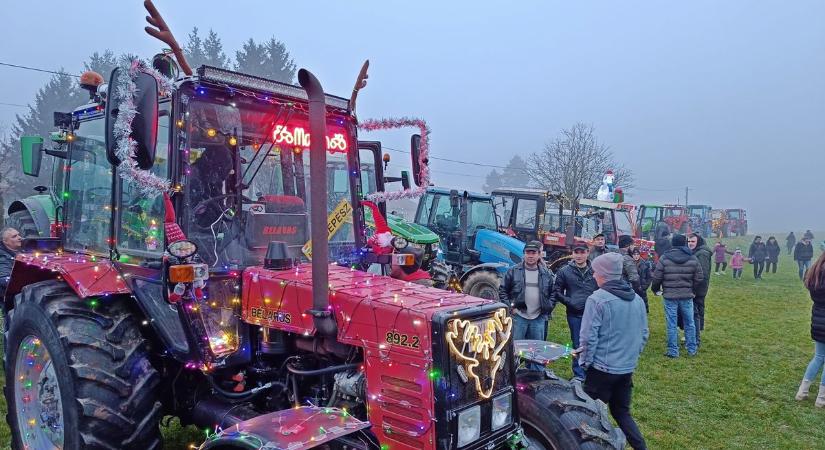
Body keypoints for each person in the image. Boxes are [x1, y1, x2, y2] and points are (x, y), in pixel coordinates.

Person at [576, 252, 649, 450]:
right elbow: (644, 334)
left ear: (604, 274)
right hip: (626, 369)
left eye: (595, 272)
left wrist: (584, 362)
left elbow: (588, 337)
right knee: (621, 412)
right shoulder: (637, 300)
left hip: (601, 370)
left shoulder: (597, 299)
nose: (593, 276)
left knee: (588, 415)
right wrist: (630, 358)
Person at [499, 241, 554, 370]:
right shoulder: (513, 271)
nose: (530, 256)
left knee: (537, 352)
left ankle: (536, 378)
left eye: (533, 253)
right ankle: (511, 374)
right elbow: (502, 290)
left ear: (539, 255)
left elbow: (553, 292)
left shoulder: (546, 274)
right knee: (515, 349)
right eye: (527, 253)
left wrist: (548, 307)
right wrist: (510, 307)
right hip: (519, 317)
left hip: (538, 318)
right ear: (523, 254)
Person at [651, 234, 703, 357]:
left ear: (672, 243)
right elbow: (699, 277)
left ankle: (673, 351)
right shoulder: (692, 258)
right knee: (690, 323)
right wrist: (693, 290)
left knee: (671, 324)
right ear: (684, 243)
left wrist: (655, 289)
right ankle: (692, 349)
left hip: (670, 296)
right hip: (687, 296)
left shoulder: (665, 258)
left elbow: (657, 277)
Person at [554, 242, 599, 380]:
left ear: (587, 253)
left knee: (595, 342)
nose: (579, 255)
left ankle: (593, 372)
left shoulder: (596, 270)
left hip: (594, 314)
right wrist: (570, 302)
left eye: (582, 252)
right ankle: (579, 375)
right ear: (572, 254)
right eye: (576, 252)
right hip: (575, 314)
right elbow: (557, 291)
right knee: (577, 344)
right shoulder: (564, 271)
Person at [795, 251, 825, 408]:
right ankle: (821, 398)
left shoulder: (815, 271)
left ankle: (802, 391)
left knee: (819, 356)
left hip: (818, 320)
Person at [687, 233, 712, 346]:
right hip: (696, 286)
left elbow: (702, 274)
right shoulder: (696, 252)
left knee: (695, 312)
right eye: (689, 241)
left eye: (693, 242)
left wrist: (694, 289)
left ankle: (695, 337)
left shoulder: (702, 254)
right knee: (694, 312)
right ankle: (693, 335)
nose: (690, 244)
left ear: (698, 242)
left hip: (698, 288)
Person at [0, 227, 22, 295]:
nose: (19, 238)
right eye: (14, 236)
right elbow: (4, 280)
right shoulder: (3, 257)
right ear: (5, 241)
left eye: (18, 235)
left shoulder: (23, 250)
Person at [631, 248, 652, 313]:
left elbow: (649, 277)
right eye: (634, 254)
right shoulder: (629, 264)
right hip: (632, 288)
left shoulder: (644, 264)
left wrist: (644, 287)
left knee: (642, 307)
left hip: (641, 288)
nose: (636, 256)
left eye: (637, 254)